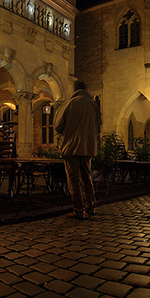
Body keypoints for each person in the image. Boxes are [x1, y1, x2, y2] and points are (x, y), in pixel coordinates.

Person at [53, 81, 101, 220]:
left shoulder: (70, 103)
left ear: (75, 90)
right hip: (88, 147)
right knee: (87, 177)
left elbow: (58, 125)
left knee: (74, 180)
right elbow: (98, 124)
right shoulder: (93, 105)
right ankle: (91, 206)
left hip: (72, 146)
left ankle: (79, 210)